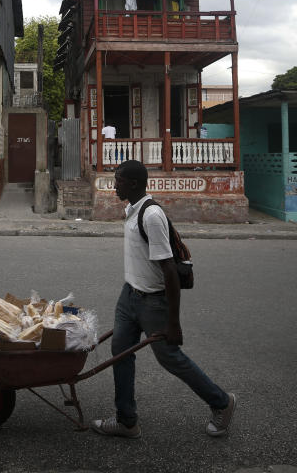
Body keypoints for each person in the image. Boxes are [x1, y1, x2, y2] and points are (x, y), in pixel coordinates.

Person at [91, 159, 235, 439]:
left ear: (133, 183)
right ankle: (126, 420)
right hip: (130, 295)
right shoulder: (131, 209)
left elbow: (169, 271)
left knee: (170, 358)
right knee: (120, 354)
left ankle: (222, 402)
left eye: (118, 179)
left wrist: (174, 323)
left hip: (153, 301)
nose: (114, 184)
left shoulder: (151, 215)